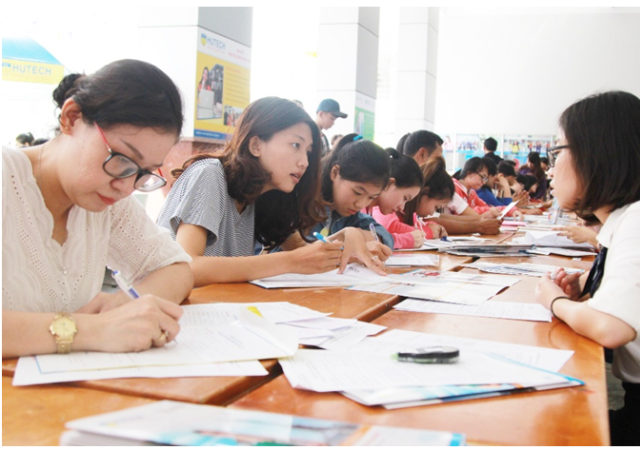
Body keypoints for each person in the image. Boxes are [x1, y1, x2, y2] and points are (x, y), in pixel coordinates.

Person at [3, 59, 194, 358]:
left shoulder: (107, 202)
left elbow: (176, 269)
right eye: (122, 159)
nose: (127, 187)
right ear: (72, 118)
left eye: (144, 172)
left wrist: (129, 304)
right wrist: (92, 329)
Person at [534, 91, 640, 446]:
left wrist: (556, 301)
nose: (550, 168)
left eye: (556, 152)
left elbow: (612, 327)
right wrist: (586, 296)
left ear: (596, 154)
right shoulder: (633, 217)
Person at [157, 97, 343, 286]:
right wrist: (290, 261)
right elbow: (188, 267)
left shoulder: (262, 197)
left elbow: (302, 251)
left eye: (308, 152)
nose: (305, 162)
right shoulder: (209, 174)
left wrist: (344, 239)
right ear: (256, 145)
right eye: (296, 145)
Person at [309, 133, 394, 275]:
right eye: (358, 192)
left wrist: (360, 239)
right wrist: (347, 247)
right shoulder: (306, 203)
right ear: (335, 173)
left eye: (371, 197)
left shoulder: (346, 212)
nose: (361, 204)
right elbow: (296, 254)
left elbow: (383, 234)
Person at [397, 130, 501, 235]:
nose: (440, 164)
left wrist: (480, 219)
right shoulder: (401, 187)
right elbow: (431, 219)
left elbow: (434, 218)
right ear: (422, 154)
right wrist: (478, 224)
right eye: (438, 157)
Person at [365, 149, 444, 249]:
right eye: (405, 198)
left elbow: (375, 235)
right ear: (389, 184)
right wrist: (408, 239)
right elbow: (369, 240)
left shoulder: (368, 210)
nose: (402, 207)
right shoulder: (360, 207)